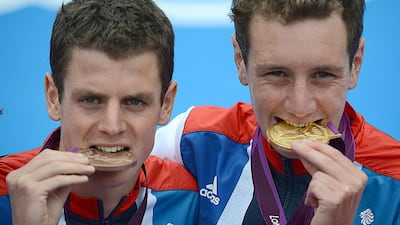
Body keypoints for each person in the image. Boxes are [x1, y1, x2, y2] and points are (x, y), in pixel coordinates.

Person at [152, 0, 400, 224]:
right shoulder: (195, 143)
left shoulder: (394, 184)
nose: (300, 108)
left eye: (323, 75)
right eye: (277, 74)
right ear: (240, 60)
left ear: (355, 64)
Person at [0, 0, 199, 224]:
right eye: (91, 100)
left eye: (134, 102)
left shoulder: (190, 200)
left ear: (166, 104)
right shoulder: (3, 193)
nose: (112, 126)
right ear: (54, 97)